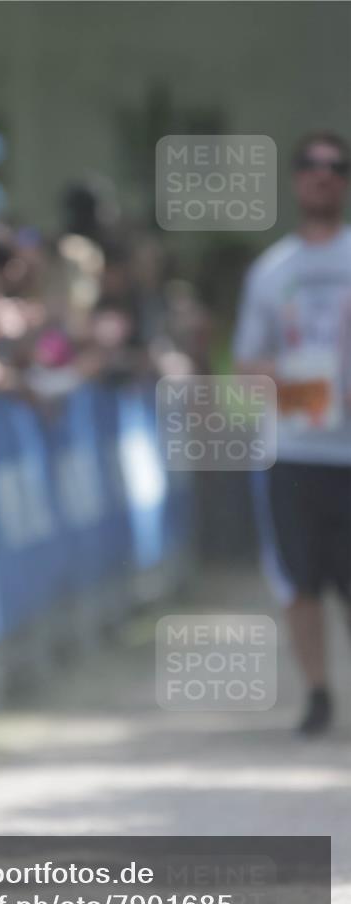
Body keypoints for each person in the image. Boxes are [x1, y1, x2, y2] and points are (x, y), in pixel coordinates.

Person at [233, 130, 351, 735]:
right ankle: (319, 693)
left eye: (336, 165)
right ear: (297, 179)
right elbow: (248, 364)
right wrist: (308, 385)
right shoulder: (272, 270)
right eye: (311, 165)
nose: (323, 174)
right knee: (301, 582)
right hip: (296, 452)